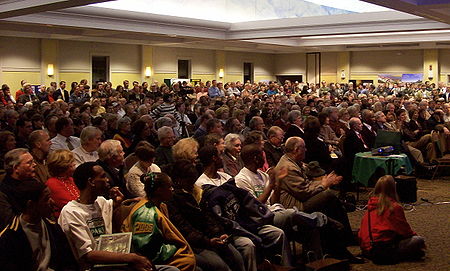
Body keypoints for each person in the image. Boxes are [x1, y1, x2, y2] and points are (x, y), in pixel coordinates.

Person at [58, 162, 158, 271]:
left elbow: (114, 207)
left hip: (113, 262)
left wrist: (124, 202)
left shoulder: (100, 202)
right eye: (103, 177)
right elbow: (88, 255)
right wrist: (130, 258)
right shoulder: (71, 212)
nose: (107, 180)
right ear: (91, 181)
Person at [166, 159, 245, 271]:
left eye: (193, 181)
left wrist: (219, 233)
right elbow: (184, 229)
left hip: (210, 238)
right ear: (179, 180)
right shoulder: (172, 200)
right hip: (194, 244)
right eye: (189, 181)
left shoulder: (197, 192)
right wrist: (208, 242)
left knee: (237, 257)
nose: (192, 185)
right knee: (219, 266)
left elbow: (209, 217)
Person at [275, 137, 355, 244]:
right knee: (328, 195)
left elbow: (306, 184)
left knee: (330, 199)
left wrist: (324, 182)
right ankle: (345, 235)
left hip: (300, 199)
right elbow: (304, 193)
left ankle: (341, 234)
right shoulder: (288, 167)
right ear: (296, 149)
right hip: (294, 205)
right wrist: (324, 184)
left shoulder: (292, 161)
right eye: (304, 147)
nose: (306, 150)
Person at [119, 172, 196, 271]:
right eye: (169, 187)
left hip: (162, 251)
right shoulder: (146, 214)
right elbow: (146, 249)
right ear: (159, 191)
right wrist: (174, 248)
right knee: (187, 261)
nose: (172, 189)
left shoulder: (161, 205)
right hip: (149, 260)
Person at [0, 181, 79, 271]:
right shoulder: (9, 237)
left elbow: (69, 263)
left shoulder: (53, 228)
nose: (52, 202)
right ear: (30, 205)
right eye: (46, 199)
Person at [359, 175, 426, 263]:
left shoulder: (371, 204)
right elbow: (405, 231)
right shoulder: (394, 207)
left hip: (367, 247)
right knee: (418, 240)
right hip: (382, 248)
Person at [0, 149, 39, 229]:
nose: (34, 164)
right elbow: (10, 223)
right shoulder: (3, 192)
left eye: (33, 161)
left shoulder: (34, 182)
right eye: (29, 163)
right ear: (16, 168)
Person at [46, 150, 79, 217]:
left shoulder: (71, 179)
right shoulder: (52, 183)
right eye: (71, 162)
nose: (74, 164)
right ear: (62, 166)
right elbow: (69, 204)